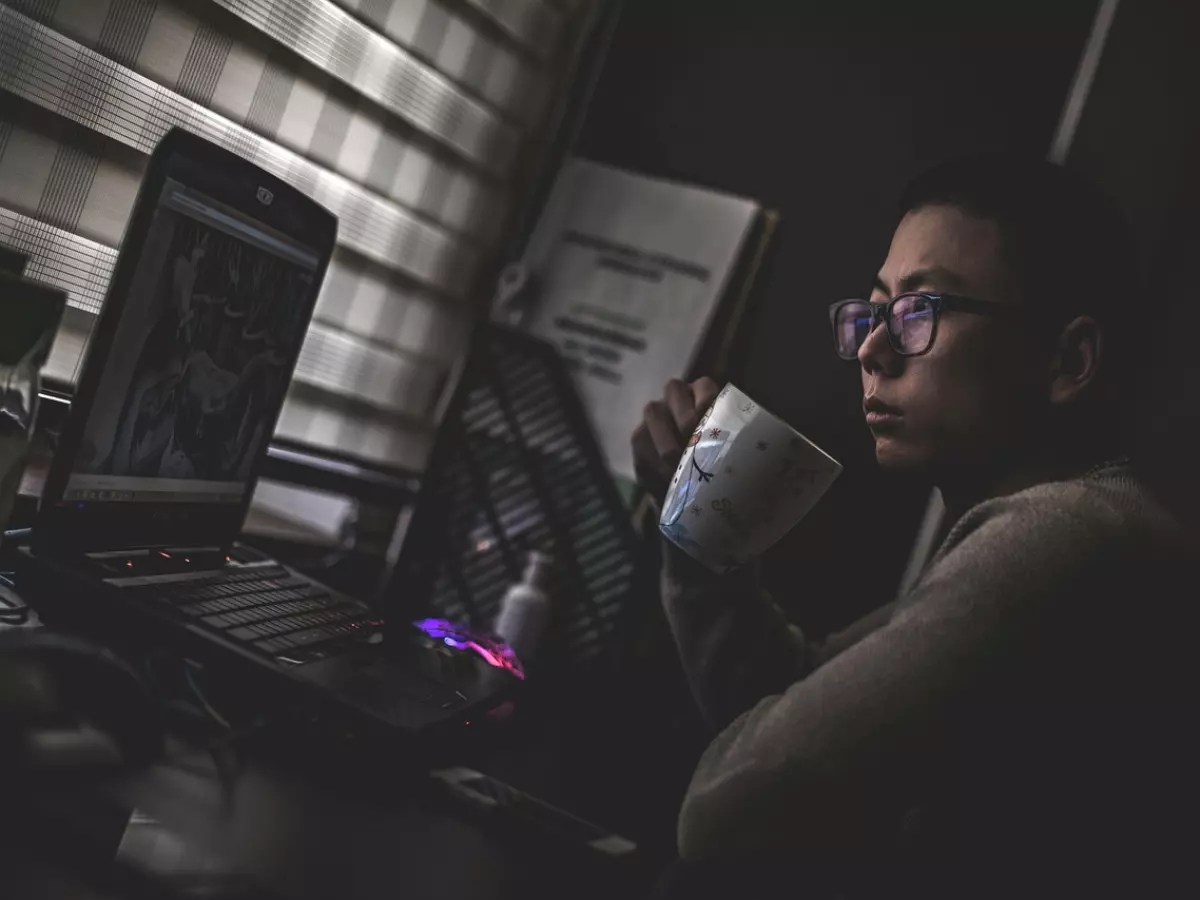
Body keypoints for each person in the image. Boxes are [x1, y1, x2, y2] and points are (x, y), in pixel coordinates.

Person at [632, 155, 1196, 897]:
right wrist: (697, 529)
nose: (871, 348)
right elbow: (797, 696)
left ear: (1068, 360)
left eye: (920, 311)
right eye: (873, 310)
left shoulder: (1071, 535)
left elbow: (726, 808)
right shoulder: (1073, 525)